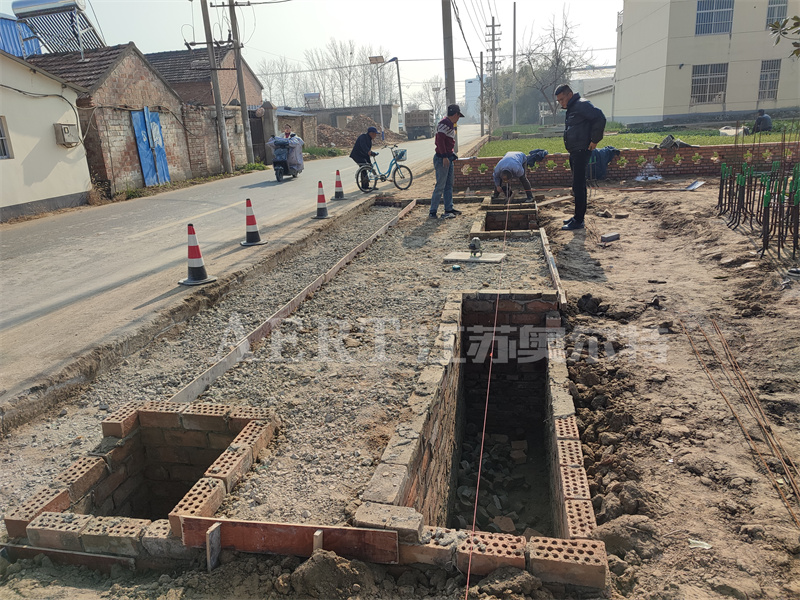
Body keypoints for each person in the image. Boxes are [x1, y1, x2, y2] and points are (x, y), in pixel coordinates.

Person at [555, 84, 606, 231]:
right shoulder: (572, 108)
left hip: (582, 150)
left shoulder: (582, 105)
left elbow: (600, 118)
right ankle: (577, 216)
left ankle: (579, 220)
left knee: (579, 185)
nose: (561, 103)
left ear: (570, 95)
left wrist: (595, 140)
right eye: (558, 101)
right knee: (576, 185)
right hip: (575, 151)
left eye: (562, 99)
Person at [430, 104, 464, 219]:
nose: (458, 119)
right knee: (440, 185)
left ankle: (448, 208)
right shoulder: (444, 123)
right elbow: (440, 141)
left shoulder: (450, 124)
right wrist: (444, 156)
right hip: (442, 159)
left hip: (448, 157)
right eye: (458, 116)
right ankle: (433, 211)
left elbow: (447, 142)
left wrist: (450, 154)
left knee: (449, 185)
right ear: (455, 114)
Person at [350, 126, 379, 191]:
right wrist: (369, 152)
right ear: (370, 133)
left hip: (363, 155)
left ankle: (365, 186)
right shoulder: (363, 137)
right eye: (374, 134)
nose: (375, 135)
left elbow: (367, 153)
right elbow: (364, 147)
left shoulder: (369, 140)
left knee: (367, 167)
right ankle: (365, 185)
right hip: (357, 155)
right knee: (364, 167)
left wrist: (369, 162)